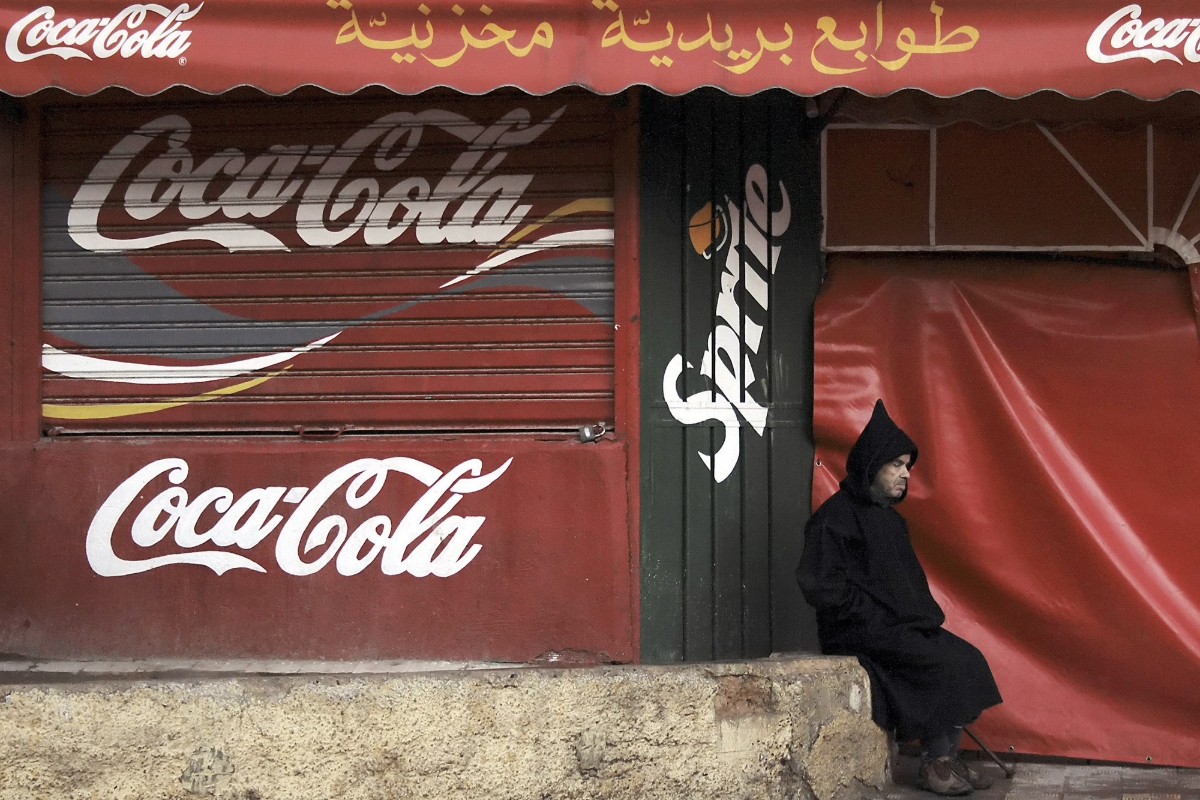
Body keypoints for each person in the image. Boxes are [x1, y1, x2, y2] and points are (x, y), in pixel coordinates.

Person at [797, 400, 1002, 796]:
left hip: (894, 628)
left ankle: (947, 756)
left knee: (965, 658)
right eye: (896, 465)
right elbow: (824, 588)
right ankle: (934, 764)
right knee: (940, 662)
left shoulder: (889, 519)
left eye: (907, 466)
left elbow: (906, 589)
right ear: (872, 465)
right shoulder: (833, 520)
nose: (905, 474)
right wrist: (875, 619)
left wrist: (914, 620)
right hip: (855, 631)